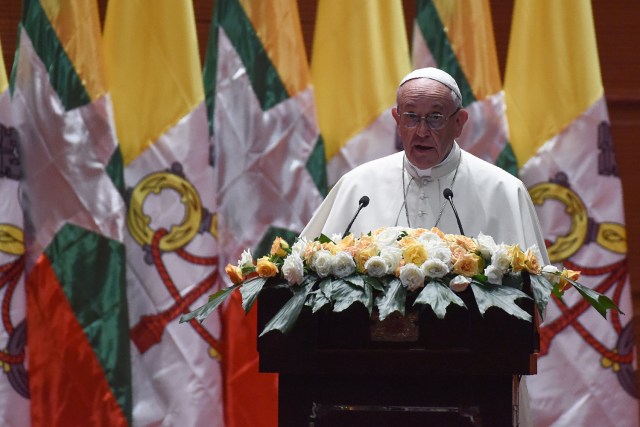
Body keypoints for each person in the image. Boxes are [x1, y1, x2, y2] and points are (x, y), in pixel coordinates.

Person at [301, 67, 548, 426]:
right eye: (411, 118)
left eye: (435, 118)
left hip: (476, 391)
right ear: (396, 120)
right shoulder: (358, 187)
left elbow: (537, 299)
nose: (421, 131)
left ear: (459, 121)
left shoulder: (503, 191)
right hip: (363, 392)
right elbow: (305, 281)